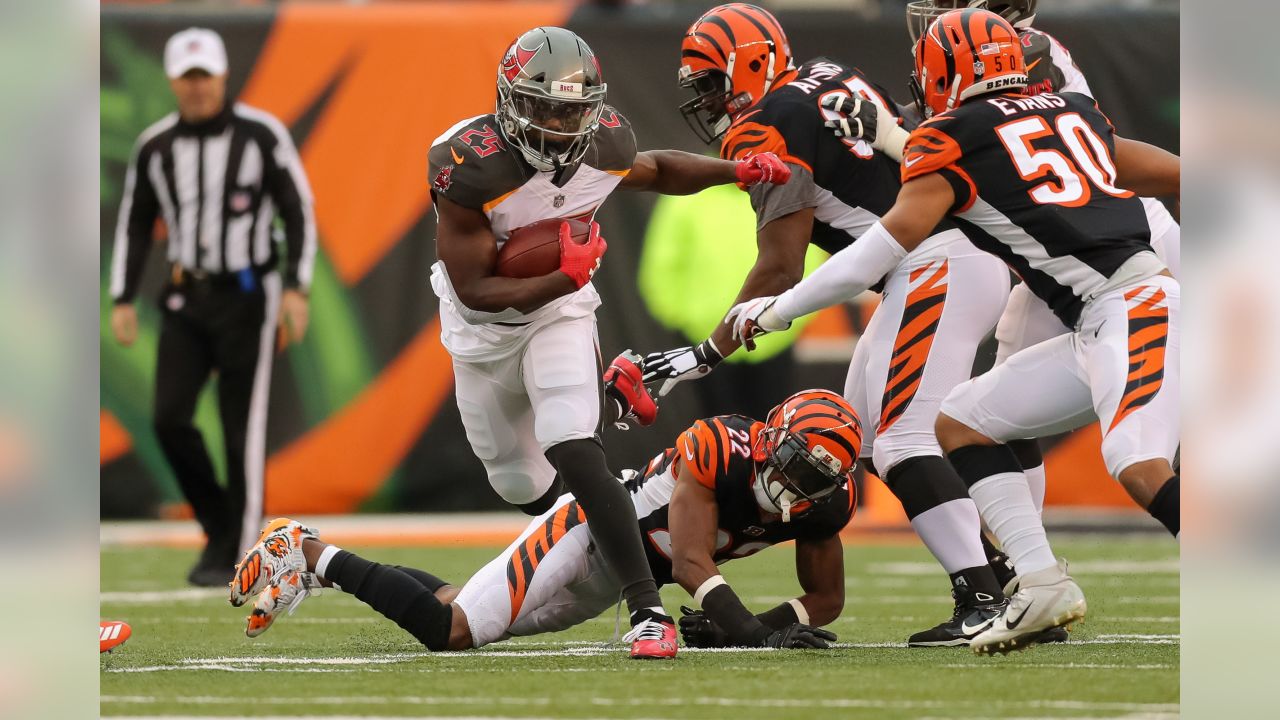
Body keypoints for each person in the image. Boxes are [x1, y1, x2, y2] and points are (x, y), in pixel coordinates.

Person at [232, 26, 787, 659]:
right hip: (481, 333)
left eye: (574, 109)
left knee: (573, 446)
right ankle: (591, 480)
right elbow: (475, 288)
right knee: (520, 486)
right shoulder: (469, 163)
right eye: (545, 105)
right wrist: (562, 272)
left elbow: (657, 168)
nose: (559, 122)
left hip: (562, 314)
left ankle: (646, 610)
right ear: (509, 99)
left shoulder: (604, 142)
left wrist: (735, 169)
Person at [728, 8, 1180, 653]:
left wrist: (779, 309)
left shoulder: (953, 137)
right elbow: (1166, 171)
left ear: (946, 72)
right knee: (965, 419)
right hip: (1105, 312)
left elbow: (877, 249)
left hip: (1132, 306)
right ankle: (1040, 581)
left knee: (1136, 464)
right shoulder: (1068, 111)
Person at [640, 3, 1011, 647]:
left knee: (901, 440)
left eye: (711, 80)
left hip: (937, 259)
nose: (707, 98)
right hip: (941, 256)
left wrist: (706, 353)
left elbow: (780, 265)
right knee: (863, 438)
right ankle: (1000, 575)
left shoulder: (768, 122)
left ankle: (984, 595)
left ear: (749, 65)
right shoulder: (826, 75)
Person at [227, 390, 859, 654]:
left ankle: (326, 575)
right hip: (588, 533)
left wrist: (772, 626)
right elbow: (693, 560)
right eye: (793, 465)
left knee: (459, 607)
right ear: (768, 441)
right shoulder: (718, 446)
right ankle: (305, 549)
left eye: (815, 480)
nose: (796, 486)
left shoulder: (827, 506)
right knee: (453, 630)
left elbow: (825, 599)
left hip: (617, 581)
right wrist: (747, 632)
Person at [107, 28, 316, 587]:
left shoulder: (260, 135)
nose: (197, 88)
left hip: (249, 294)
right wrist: (122, 295)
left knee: (240, 427)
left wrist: (297, 284)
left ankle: (242, 551)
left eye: (205, 76)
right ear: (174, 81)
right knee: (168, 418)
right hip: (184, 296)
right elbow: (134, 220)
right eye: (187, 77)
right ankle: (219, 527)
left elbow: (298, 208)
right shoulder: (156, 146)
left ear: (223, 77)